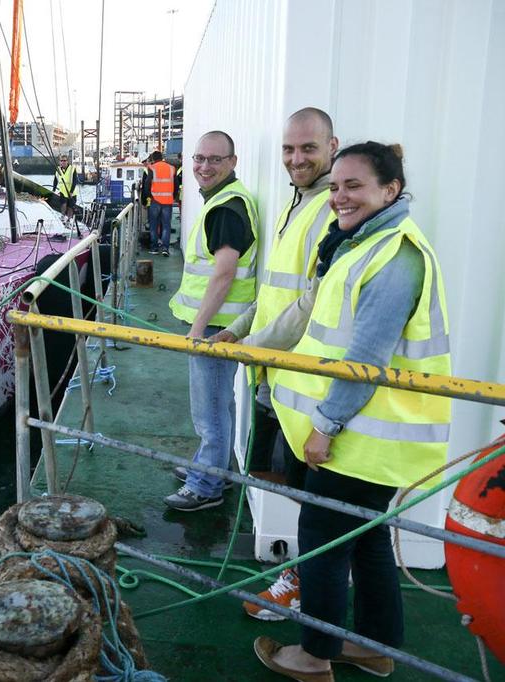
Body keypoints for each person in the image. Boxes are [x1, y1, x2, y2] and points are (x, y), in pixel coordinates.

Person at [253, 142, 451, 680]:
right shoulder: (365, 243)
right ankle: (374, 646)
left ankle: (314, 656)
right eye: (336, 186)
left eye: (354, 186)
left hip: (358, 438)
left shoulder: (396, 256)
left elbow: (366, 357)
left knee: (323, 541)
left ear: (390, 190)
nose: (340, 196)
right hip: (370, 439)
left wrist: (325, 425)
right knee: (364, 541)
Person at [206, 107, 338, 620]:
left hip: (306, 382)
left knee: (311, 492)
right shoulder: (297, 203)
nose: (297, 158)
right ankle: (303, 582)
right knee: (290, 481)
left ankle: (303, 587)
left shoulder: (330, 207)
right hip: (278, 376)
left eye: (308, 148)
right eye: (289, 149)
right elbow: (275, 291)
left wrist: (251, 344)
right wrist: (237, 332)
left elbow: (311, 300)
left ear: (332, 146)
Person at [165, 131, 259, 511]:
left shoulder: (226, 208)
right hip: (223, 326)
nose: (204, 167)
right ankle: (213, 468)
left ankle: (207, 486)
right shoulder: (226, 200)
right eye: (200, 158)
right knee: (222, 404)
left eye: (215, 160)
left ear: (233, 162)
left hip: (217, 329)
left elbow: (224, 273)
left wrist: (197, 329)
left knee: (210, 410)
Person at [146, 150, 176, 255]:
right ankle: (165, 248)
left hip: (155, 201)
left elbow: (147, 184)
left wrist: (147, 197)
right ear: (162, 157)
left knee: (154, 225)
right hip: (168, 201)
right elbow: (176, 184)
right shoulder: (171, 168)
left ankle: (154, 248)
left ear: (153, 159)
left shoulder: (152, 168)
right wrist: (174, 196)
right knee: (166, 225)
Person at [52, 154, 77, 224]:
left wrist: (71, 192)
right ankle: (62, 217)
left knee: (70, 207)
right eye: (61, 161)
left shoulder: (72, 169)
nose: (63, 162)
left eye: (64, 161)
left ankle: (69, 220)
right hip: (62, 191)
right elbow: (55, 180)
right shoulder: (58, 169)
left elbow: (75, 181)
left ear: (67, 161)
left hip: (72, 192)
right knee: (63, 204)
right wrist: (53, 190)